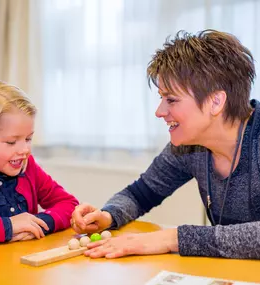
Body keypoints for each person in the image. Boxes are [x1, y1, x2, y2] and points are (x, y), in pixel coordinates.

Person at [71, 29, 260, 259]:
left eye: (171, 99)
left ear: (215, 101)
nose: (160, 112)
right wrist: (109, 216)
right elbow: (140, 194)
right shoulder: (188, 147)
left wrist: (171, 238)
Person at [0, 80, 79, 245]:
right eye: (11, 142)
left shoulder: (28, 167)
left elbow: (69, 204)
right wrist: (8, 226)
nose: (24, 150)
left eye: (28, 138)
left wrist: (39, 223)